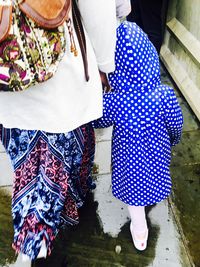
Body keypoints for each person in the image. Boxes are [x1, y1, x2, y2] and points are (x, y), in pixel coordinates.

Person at [0, 0, 118, 261]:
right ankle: (34, 246)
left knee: (28, 171)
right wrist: (105, 64)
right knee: (55, 172)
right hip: (60, 77)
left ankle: (36, 238)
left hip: (7, 72)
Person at [92, 21, 183, 250]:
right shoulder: (164, 94)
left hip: (128, 162)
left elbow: (98, 120)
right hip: (156, 154)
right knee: (152, 182)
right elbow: (175, 125)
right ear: (150, 58)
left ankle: (140, 229)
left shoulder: (115, 100)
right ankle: (145, 214)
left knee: (135, 200)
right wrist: (173, 139)